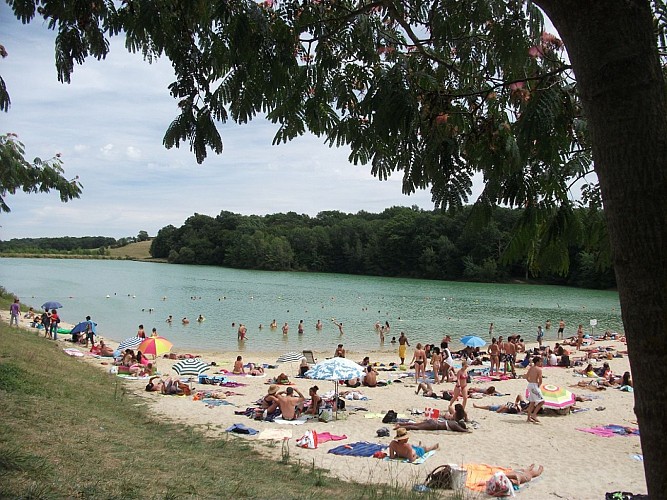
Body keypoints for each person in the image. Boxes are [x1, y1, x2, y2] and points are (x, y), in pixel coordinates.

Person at [525, 356, 545, 423]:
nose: (541, 363)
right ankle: (534, 414)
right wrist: (538, 385)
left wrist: (530, 381)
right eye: (540, 361)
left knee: (532, 402)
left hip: (530, 384)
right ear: (537, 362)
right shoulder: (539, 369)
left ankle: (528, 418)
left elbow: (527, 377)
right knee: (542, 401)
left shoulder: (531, 368)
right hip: (534, 385)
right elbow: (540, 380)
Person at [394, 418, 469, 433]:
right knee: (416, 427)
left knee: (415, 424)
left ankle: (400, 424)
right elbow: (463, 430)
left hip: (434, 421)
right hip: (434, 425)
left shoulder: (453, 422)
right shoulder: (454, 426)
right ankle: (400, 427)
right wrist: (468, 430)